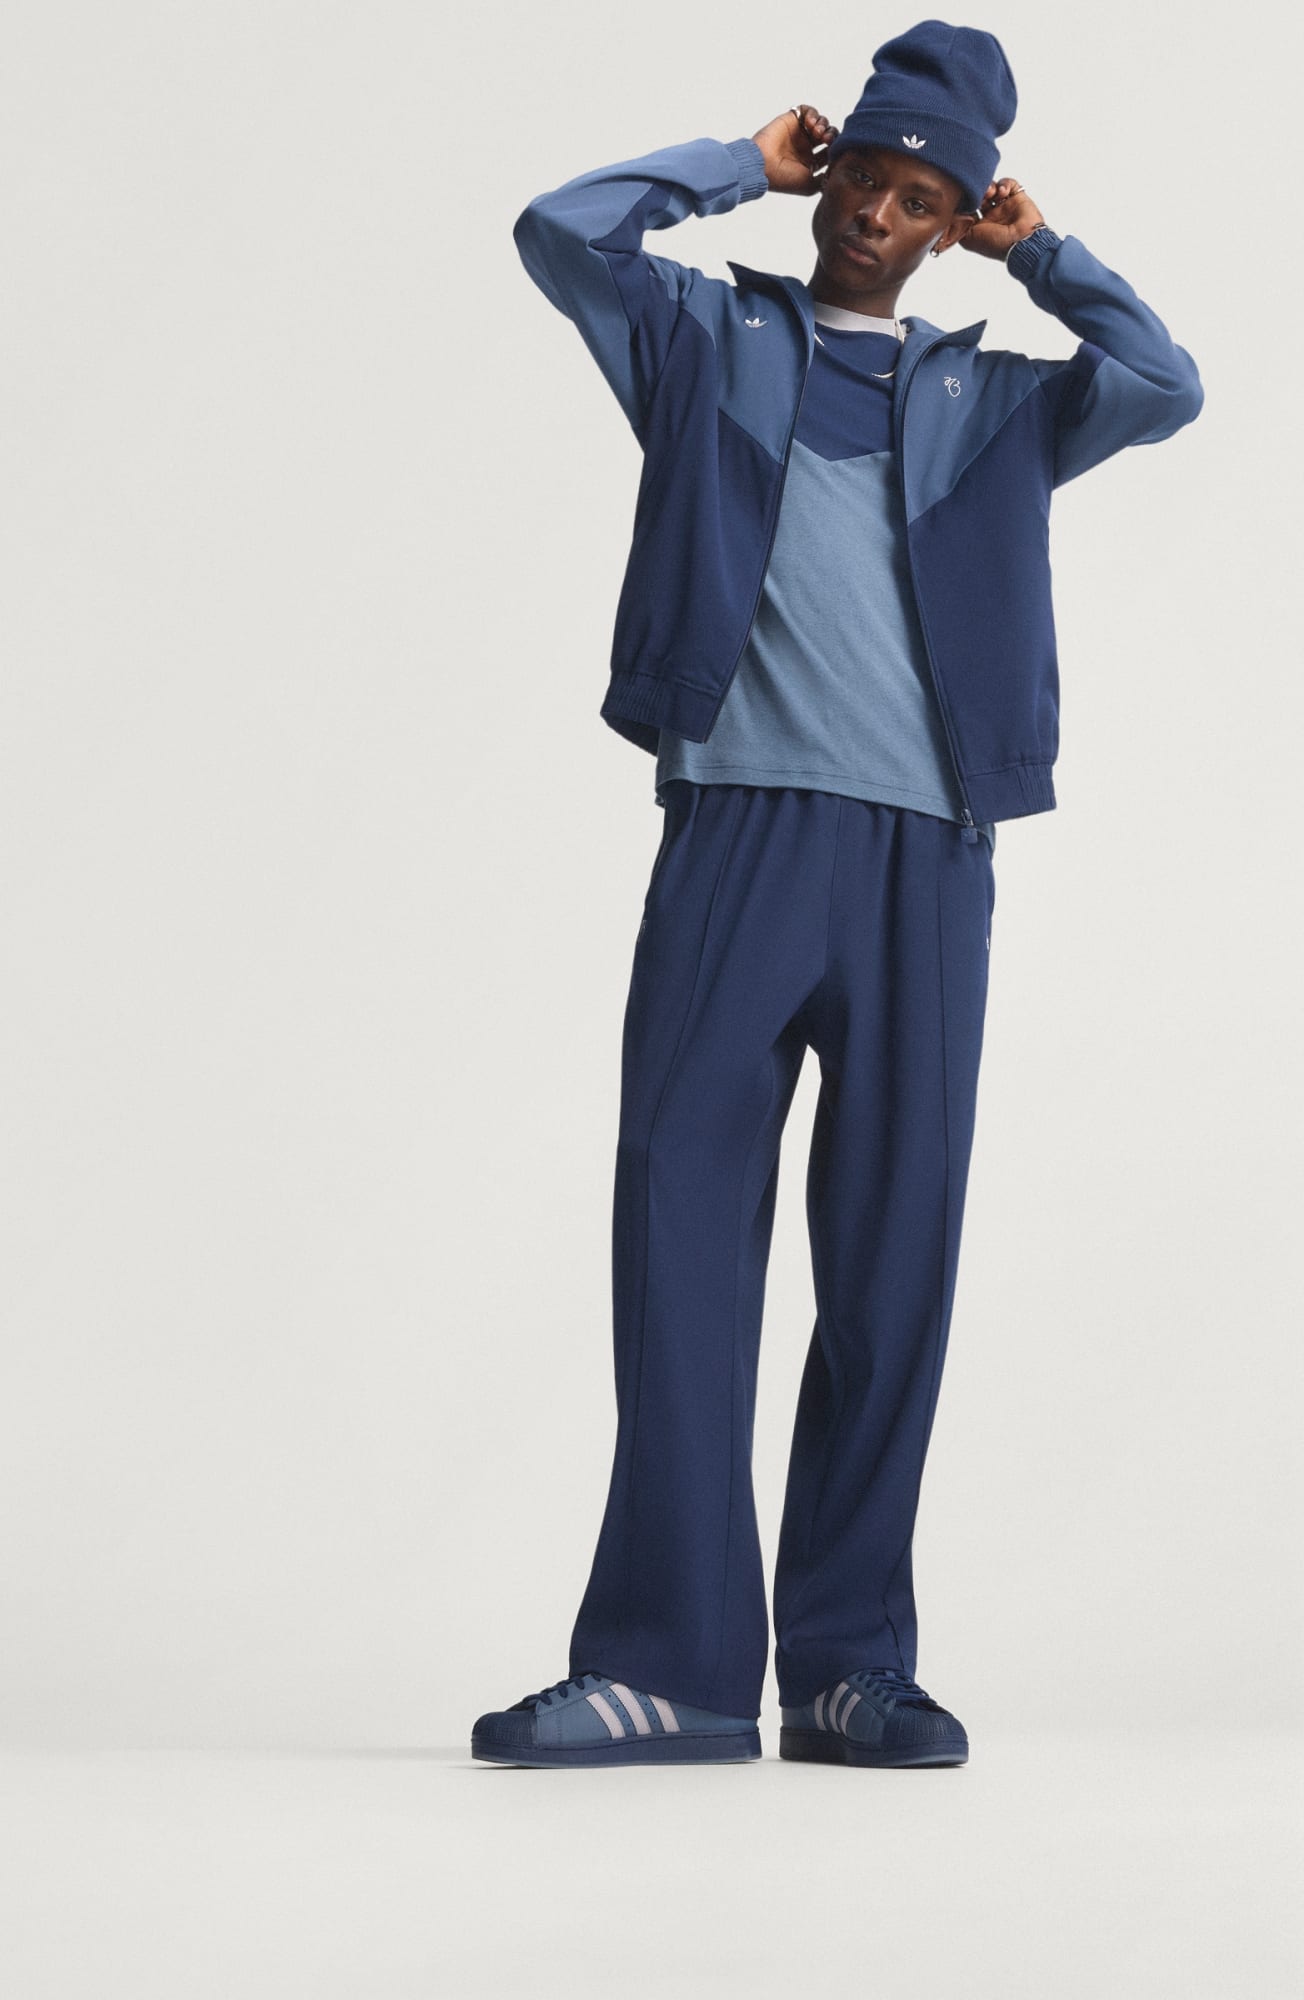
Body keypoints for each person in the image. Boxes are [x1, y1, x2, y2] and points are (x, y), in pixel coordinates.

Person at [475, 21, 1202, 1769]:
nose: (878, 211)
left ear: (956, 224)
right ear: (830, 178)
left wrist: (1046, 254)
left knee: (891, 1265)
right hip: (735, 832)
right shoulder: (702, 341)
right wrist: (739, 165)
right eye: (862, 178)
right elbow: (561, 231)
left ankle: (849, 1665)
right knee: (678, 1237)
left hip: (925, 862)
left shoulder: (1000, 403)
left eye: (920, 198)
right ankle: (669, 1666)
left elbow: (1166, 380)